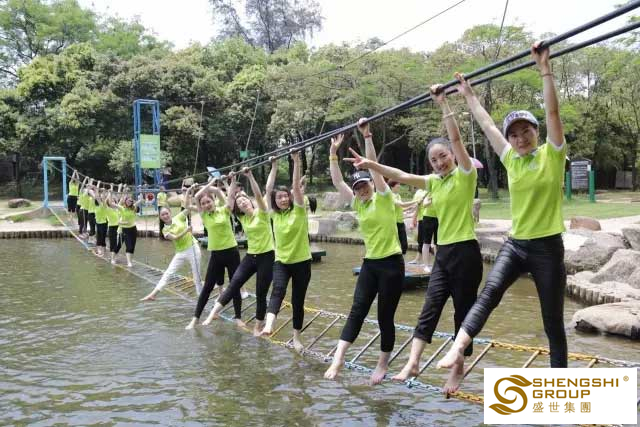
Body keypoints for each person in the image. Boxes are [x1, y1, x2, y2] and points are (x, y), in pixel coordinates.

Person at [437, 43, 568, 393]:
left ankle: (559, 388)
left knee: (553, 323)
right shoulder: (510, 158)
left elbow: (553, 112)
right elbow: (485, 123)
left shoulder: (552, 155)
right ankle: (458, 347)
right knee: (490, 292)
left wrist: (544, 68)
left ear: (537, 132)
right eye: (514, 134)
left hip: (547, 249)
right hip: (516, 244)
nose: (520, 138)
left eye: (526, 131)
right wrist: (466, 95)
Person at [344, 88, 484, 391]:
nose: (439, 162)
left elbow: (457, 140)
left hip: (466, 252)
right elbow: (400, 175)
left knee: (463, 312)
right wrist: (371, 165)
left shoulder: (465, 175)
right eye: (434, 159)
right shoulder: (433, 182)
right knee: (429, 308)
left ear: (452, 156)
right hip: (444, 252)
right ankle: (413, 361)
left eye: (443, 156)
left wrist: (443, 104)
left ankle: (458, 367)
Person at [324, 119, 405, 385]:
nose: (362, 190)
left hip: (392, 265)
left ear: (371, 183)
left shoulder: (384, 197)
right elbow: (338, 182)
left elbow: (374, 166)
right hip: (370, 265)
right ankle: (338, 359)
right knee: (357, 310)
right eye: (358, 188)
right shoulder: (358, 205)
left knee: (385, 317)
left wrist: (367, 136)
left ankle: (382, 363)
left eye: (364, 185)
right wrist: (333, 154)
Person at [202, 168, 275, 336]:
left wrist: (250, 176)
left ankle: (258, 325)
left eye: (244, 200)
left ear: (250, 201)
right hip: (250, 257)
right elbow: (229, 198)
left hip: (266, 257)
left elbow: (260, 194)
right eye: (240, 202)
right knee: (234, 284)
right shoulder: (242, 218)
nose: (242, 203)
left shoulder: (262, 212)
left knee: (261, 292)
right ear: (239, 208)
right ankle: (212, 314)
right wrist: (230, 181)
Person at [259, 151, 311, 353]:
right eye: (279, 197)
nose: (282, 199)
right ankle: (269, 326)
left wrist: (296, 161)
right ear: (275, 201)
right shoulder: (273, 215)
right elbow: (268, 189)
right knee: (277, 290)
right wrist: (273, 166)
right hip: (281, 262)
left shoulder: (299, 209)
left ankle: (296, 337)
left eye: (285, 196)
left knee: (298, 301)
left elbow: (296, 186)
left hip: (302, 262)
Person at [185, 177, 243, 330]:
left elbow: (227, 195)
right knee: (207, 287)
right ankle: (195, 319)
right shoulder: (204, 215)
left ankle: (238, 317)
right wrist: (208, 184)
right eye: (203, 203)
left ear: (213, 201)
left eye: (208, 201)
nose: (206, 204)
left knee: (235, 285)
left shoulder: (224, 209)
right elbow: (197, 196)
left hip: (232, 252)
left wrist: (223, 182)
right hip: (216, 255)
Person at [141, 185, 203, 301]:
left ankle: (201, 299)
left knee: (196, 275)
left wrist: (189, 192)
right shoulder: (165, 230)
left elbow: (188, 208)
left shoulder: (178, 217)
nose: (165, 216)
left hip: (192, 248)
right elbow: (175, 238)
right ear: (160, 217)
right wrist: (187, 230)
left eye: (166, 213)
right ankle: (153, 294)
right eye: (162, 215)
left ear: (170, 213)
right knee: (168, 272)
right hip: (180, 252)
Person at [388, 180, 415, 255]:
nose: (399, 186)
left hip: (401, 222)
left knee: (404, 245)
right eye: (397, 184)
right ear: (392, 186)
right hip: (394, 223)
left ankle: (402, 259)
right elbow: (402, 204)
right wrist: (415, 201)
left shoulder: (398, 196)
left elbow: (401, 208)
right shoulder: (390, 196)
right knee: (395, 244)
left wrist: (411, 207)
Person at [117, 187, 143, 267]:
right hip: (125, 229)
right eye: (128, 201)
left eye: (131, 201)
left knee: (132, 246)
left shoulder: (133, 207)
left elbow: (140, 200)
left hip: (133, 229)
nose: (130, 202)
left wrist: (141, 191)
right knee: (128, 246)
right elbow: (112, 204)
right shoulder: (122, 208)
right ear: (125, 201)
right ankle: (128, 262)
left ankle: (130, 261)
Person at [89, 182, 108, 257]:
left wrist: (97, 190)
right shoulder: (95, 206)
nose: (98, 200)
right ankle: (99, 250)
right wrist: (94, 189)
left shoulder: (103, 205)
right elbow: (96, 197)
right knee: (99, 236)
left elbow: (100, 198)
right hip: (98, 223)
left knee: (102, 236)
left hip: (104, 223)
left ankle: (103, 250)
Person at [105, 184, 121, 265]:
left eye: (114, 202)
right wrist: (110, 193)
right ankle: (112, 258)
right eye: (112, 202)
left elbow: (119, 199)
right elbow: (108, 201)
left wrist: (120, 188)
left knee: (119, 243)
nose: (114, 203)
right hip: (112, 227)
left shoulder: (117, 209)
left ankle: (115, 255)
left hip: (119, 227)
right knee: (113, 243)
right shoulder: (108, 209)